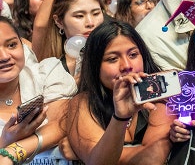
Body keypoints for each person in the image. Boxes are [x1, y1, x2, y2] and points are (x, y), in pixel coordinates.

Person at [64, 21, 172, 164]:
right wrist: (121, 117)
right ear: (95, 66)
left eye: (133, 55)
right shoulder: (83, 102)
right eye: (112, 59)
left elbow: (153, 158)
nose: (126, 66)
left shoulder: (162, 92)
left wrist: (97, 152)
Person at [0, 16, 76, 164]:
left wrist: (14, 150)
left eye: (11, 45)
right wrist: (4, 141)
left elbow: (63, 123)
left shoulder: (46, 73)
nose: (4, 57)